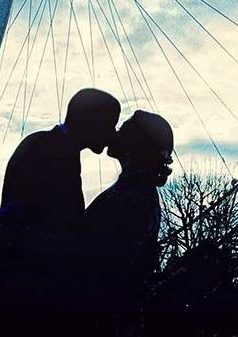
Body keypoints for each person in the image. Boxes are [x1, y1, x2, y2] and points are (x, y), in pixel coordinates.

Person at [0, 88, 121, 335]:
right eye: (110, 125)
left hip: (16, 295)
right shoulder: (53, 154)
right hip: (27, 301)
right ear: (92, 122)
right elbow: (49, 231)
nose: (111, 135)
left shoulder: (47, 146)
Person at [84, 110, 174, 336]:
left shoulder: (132, 197)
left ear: (136, 143)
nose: (115, 131)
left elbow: (103, 261)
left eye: (123, 128)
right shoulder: (139, 193)